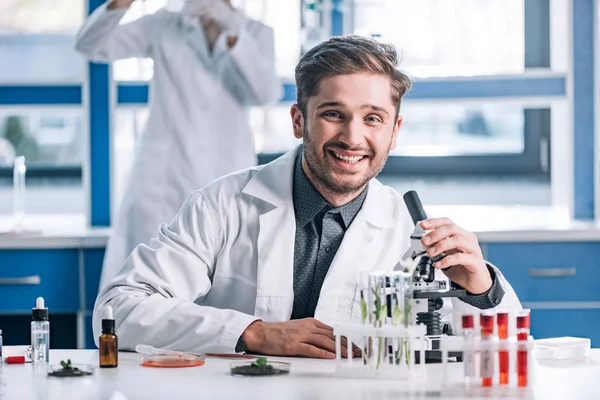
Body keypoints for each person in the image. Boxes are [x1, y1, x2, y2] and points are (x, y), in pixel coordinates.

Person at [93, 35, 521, 358]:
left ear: (394, 132)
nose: (353, 138)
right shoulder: (223, 205)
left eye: (373, 118)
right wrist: (252, 332)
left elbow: (500, 354)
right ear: (299, 120)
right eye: (333, 114)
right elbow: (118, 311)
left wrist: (481, 290)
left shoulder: (409, 230)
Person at [75, 0, 281, 291]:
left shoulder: (256, 32)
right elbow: (90, 45)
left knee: (222, 286)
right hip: (162, 183)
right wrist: (121, 3)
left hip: (226, 176)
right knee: (146, 287)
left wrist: (233, 34)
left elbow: (266, 92)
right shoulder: (163, 25)